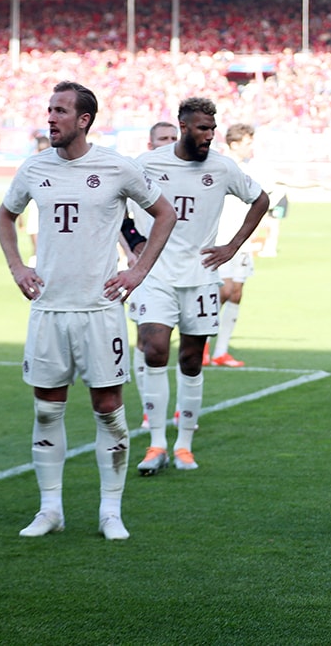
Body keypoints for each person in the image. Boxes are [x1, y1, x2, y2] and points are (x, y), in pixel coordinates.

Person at [0, 81, 177, 540]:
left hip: (100, 311)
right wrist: (18, 266)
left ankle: (110, 512)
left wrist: (138, 273)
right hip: (49, 310)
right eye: (48, 110)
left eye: (59, 111)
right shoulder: (33, 168)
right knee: (46, 410)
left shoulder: (117, 166)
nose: (50, 118)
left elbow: (165, 214)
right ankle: (50, 509)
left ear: (84, 120)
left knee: (108, 408)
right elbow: (4, 216)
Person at [129, 98, 269, 476]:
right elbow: (116, 204)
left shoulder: (222, 167)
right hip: (155, 276)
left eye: (212, 128)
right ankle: (156, 442)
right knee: (154, 350)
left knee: (191, 361)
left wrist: (232, 246)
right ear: (184, 126)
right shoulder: (148, 163)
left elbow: (260, 200)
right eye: (202, 128)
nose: (209, 135)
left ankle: (184, 445)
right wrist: (132, 242)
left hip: (201, 276)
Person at [128, 121, 179, 420]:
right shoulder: (137, 172)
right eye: (163, 138)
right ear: (150, 144)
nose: (169, 142)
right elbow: (119, 213)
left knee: (178, 341)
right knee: (146, 338)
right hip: (146, 267)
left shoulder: (186, 173)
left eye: (174, 138)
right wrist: (132, 249)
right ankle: (150, 407)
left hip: (180, 268)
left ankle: (172, 405)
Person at [209, 122, 266, 368]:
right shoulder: (219, 167)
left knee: (236, 293)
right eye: (247, 143)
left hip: (241, 240)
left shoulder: (251, 169)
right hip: (220, 239)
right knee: (221, 292)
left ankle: (220, 351)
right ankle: (200, 343)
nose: (250, 147)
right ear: (233, 144)